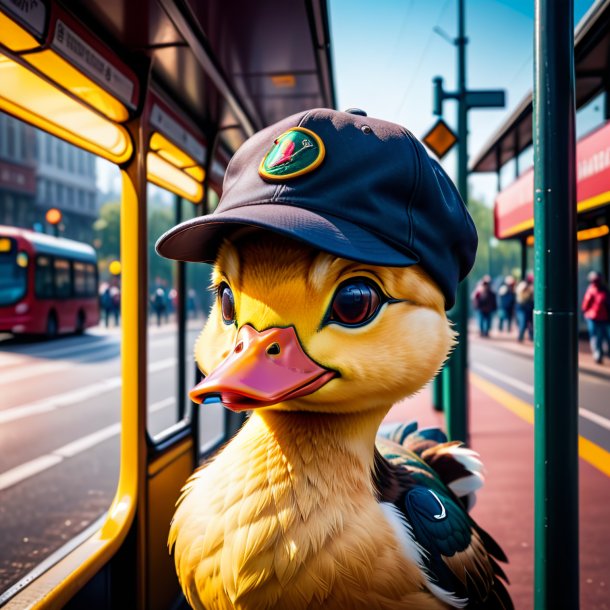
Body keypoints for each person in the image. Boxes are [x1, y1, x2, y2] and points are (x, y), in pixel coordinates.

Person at [582, 270, 609, 364]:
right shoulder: (591, 290)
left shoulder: (604, 291)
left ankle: (602, 352)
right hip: (593, 318)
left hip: (603, 318)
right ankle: (598, 353)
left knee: (602, 336)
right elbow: (585, 305)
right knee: (595, 337)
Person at [515, 274, 534, 342]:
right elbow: (519, 292)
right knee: (522, 323)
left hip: (529, 307)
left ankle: (531, 337)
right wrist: (526, 287)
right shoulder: (522, 285)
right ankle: (520, 337)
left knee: (530, 323)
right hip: (521, 307)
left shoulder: (532, 287)